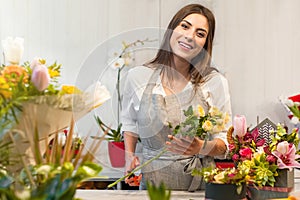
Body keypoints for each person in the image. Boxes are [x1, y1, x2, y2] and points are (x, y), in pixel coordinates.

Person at [121, 3, 232, 191]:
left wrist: (201, 147)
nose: (189, 36)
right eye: (185, 26)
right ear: (172, 30)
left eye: (200, 33)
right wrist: (130, 158)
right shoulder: (137, 76)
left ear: (206, 44)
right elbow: (130, 123)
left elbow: (225, 143)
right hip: (152, 187)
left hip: (201, 187)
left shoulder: (214, 82)